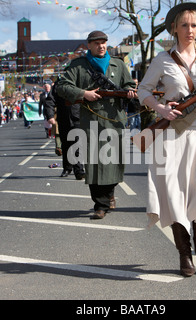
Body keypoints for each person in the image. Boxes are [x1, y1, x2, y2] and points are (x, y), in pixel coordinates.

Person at [137, 2, 196, 276]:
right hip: (171, 134)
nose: (190, 30)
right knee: (175, 193)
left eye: (194, 25)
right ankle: (184, 255)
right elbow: (143, 90)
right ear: (174, 29)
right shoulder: (162, 60)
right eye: (184, 25)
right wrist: (161, 108)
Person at [56, 30, 136, 220]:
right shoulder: (78, 66)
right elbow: (62, 87)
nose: (101, 46)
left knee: (113, 161)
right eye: (97, 43)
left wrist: (130, 92)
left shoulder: (118, 64)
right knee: (94, 163)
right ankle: (100, 204)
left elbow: (128, 85)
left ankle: (109, 195)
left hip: (115, 119)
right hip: (90, 120)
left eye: (104, 42)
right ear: (89, 46)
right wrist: (84, 94)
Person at [47, 78, 85, 179]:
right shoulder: (59, 83)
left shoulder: (80, 80)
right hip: (63, 118)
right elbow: (50, 100)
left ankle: (79, 170)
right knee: (66, 144)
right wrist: (50, 116)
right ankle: (67, 168)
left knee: (78, 144)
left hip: (77, 117)